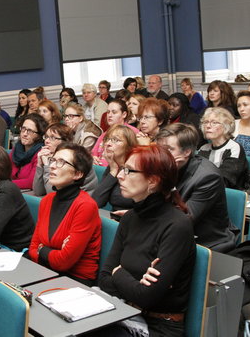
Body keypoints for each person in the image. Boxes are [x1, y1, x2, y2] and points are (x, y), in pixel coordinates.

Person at [97, 145, 196, 337]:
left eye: (129, 170)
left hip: (159, 325)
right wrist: (135, 284)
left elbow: (147, 297)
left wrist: (119, 274)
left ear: (152, 181)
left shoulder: (177, 226)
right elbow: (104, 279)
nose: (120, 175)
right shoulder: (129, 218)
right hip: (124, 312)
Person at [156, 123, 237, 251]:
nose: (161, 155)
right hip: (173, 235)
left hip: (206, 243)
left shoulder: (208, 177)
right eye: (159, 149)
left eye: (169, 149)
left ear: (187, 152)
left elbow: (184, 220)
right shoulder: (165, 166)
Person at [29, 142, 101, 286]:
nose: (52, 166)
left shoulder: (85, 206)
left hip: (75, 280)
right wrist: (50, 252)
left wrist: (42, 250)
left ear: (78, 174)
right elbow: (32, 249)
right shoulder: (47, 201)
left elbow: (64, 262)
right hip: (47, 271)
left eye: (61, 162)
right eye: (53, 160)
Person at [33, 123, 97, 196]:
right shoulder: (51, 157)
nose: (47, 141)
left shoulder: (76, 159)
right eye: (46, 137)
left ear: (65, 141)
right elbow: (38, 191)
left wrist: (47, 166)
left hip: (80, 202)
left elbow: (53, 193)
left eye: (53, 138)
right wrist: (39, 165)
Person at [92, 125, 138, 213]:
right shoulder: (113, 166)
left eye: (116, 140)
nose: (108, 144)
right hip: (115, 217)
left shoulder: (135, 169)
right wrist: (113, 171)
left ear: (129, 147)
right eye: (107, 139)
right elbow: (96, 202)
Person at [199, 107, 248, 189]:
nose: (208, 126)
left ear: (226, 126)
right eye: (206, 122)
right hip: (205, 190)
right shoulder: (204, 148)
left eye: (214, 122)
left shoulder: (233, 148)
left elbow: (225, 180)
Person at [91, 99, 139, 166]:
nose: (109, 115)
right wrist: (93, 158)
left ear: (124, 114)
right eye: (108, 112)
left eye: (114, 112)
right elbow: (93, 153)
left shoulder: (133, 132)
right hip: (100, 169)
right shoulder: (104, 134)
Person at [9, 113, 47, 189]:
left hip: (29, 194)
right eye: (23, 129)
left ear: (39, 135)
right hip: (13, 190)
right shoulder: (17, 149)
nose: (25, 134)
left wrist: (5, 184)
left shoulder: (41, 153)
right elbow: (4, 171)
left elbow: (30, 183)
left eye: (30, 131)